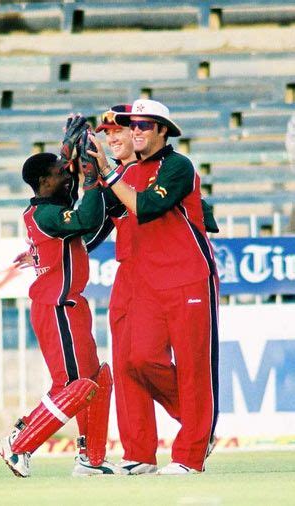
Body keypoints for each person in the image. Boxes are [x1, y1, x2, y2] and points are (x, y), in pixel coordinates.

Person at [89, 99, 219, 475]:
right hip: (148, 281)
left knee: (195, 367)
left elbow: (145, 207)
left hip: (189, 276)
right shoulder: (127, 172)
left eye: (145, 125)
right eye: (134, 126)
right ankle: (195, 425)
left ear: (164, 129)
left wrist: (109, 174)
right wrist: (88, 178)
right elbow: (106, 218)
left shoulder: (178, 165)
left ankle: (190, 454)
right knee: (137, 359)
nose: (136, 131)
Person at [0, 117, 125, 477]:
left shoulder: (49, 205)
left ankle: (91, 460)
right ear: (42, 182)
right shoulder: (47, 214)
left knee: (97, 380)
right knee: (73, 386)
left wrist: (69, 153)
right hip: (55, 307)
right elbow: (87, 217)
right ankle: (18, 445)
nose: (66, 175)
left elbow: (74, 198)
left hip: (71, 305)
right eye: (59, 172)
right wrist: (92, 179)